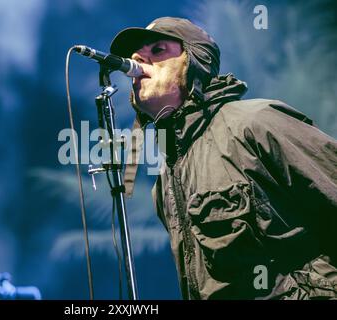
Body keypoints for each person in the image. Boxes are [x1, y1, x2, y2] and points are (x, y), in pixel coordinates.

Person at [109, 17, 337, 300]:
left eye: (157, 50)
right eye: (133, 57)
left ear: (195, 61)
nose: (137, 61)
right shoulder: (167, 172)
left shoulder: (255, 122)